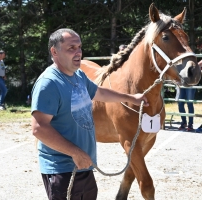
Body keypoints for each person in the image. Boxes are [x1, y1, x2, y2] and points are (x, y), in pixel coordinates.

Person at [31, 28, 149, 200]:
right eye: (71, 48)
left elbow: (99, 93)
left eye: (79, 47)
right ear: (54, 51)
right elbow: (39, 128)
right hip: (62, 169)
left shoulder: (78, 75)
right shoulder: (48, 83)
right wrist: (75, 153)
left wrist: (131, 97)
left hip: (84, 165)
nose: (78, 52)